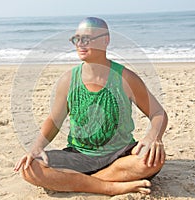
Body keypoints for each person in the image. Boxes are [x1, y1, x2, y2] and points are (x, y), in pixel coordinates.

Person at [14, 17, 168, 195]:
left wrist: (153, 137)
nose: (80, 44)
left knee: (152, 160)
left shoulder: (126, 78)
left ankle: (81, 182)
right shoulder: (68, 80)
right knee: (30, 168)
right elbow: (55, 120)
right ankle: (109, 186)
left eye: (86, 39)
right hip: (78, 156)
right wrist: (37, 147)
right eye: (76, 39)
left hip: (118, 155)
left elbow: (158, 113)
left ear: (105, 40)